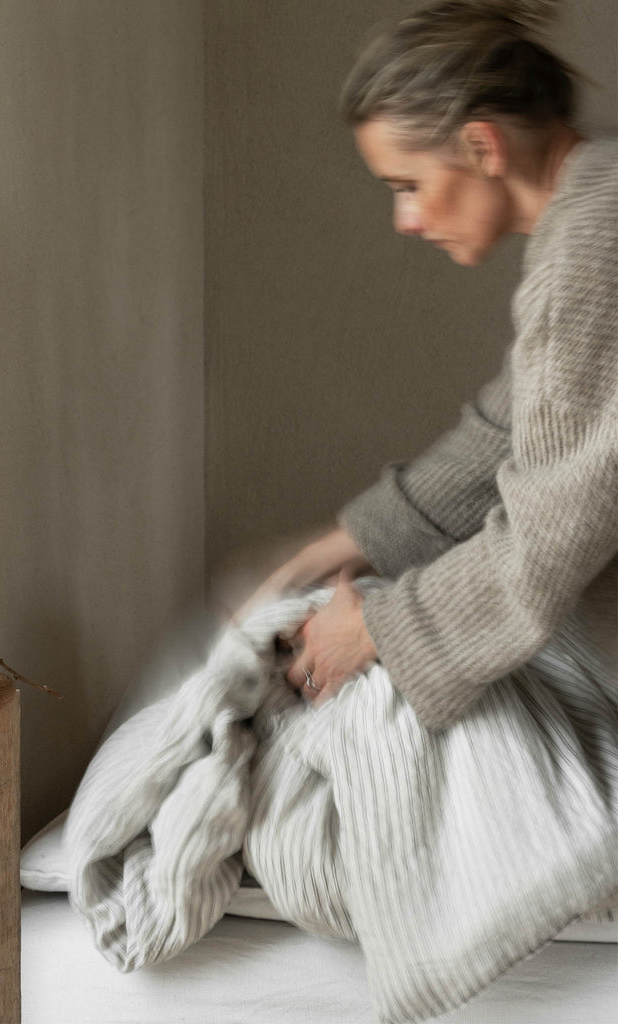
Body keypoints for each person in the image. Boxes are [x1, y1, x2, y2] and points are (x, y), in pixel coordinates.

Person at [242, 0, 617, 730]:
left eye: (407, 186)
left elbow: (551, 538)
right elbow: (509, 428)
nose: (405, 221)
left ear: (481, 146)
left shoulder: (591, 253)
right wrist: (332, 550)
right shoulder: (594, 204)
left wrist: (374, 629)